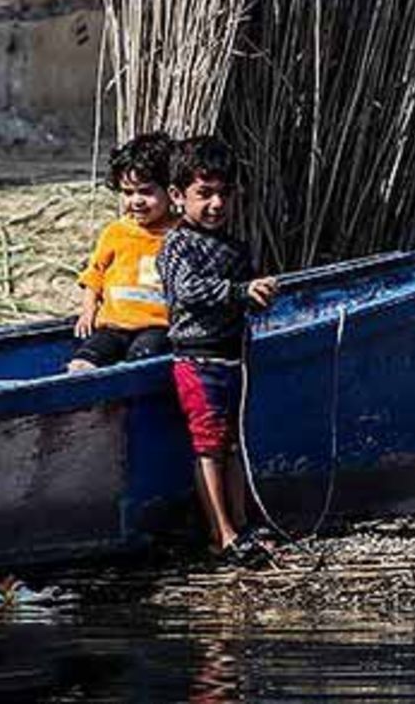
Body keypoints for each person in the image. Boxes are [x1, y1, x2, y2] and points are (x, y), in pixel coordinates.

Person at [156, 136, 277, 564]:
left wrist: (258, 294)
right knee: (208, 445)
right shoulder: (177, 245)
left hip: (233, 358)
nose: (215, 204)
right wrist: (242, 291)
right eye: (203, 194)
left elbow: (241, 295)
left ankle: (242, 525)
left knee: (232, 445)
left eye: (223, 194)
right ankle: (221, 535)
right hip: (198, 360)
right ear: (177, 196)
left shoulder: (235, 247)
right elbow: (188, 291)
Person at [68, 132, 176, 372]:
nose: (136, 201)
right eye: (128, 192)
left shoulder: (181, 236)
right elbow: (94, 275)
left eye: (146, 192)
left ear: (171, 191)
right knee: (82, 363)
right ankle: (85, 408)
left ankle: (118, 408)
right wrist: (88, 312)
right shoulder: (116, 232)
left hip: (157, 326)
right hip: (113, 326)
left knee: (139, 362)